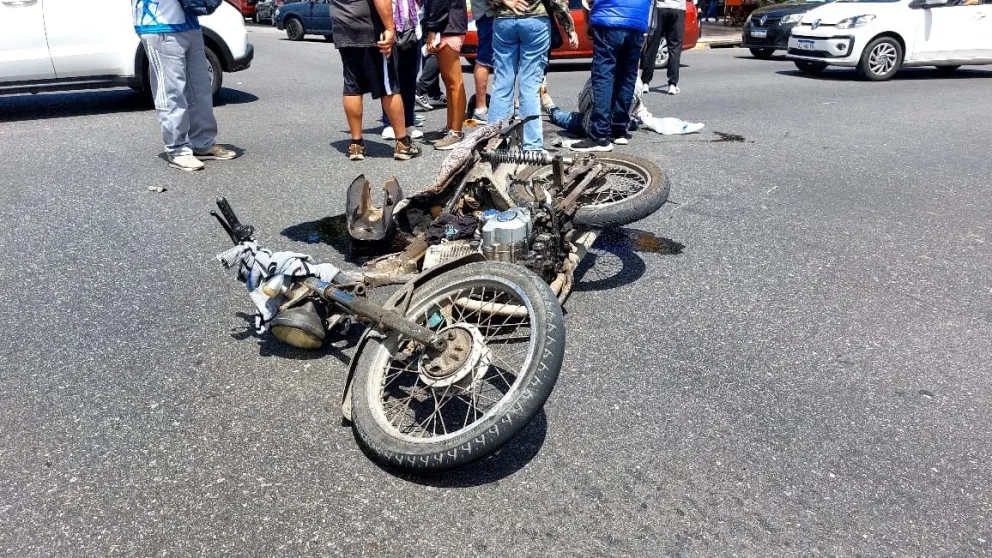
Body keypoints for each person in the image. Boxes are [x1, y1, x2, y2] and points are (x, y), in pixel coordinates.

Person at [132, 0, 237, 171]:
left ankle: (202, 143)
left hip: (189, 23)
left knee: (200, 88)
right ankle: (177, 149)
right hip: (159, 23)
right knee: (171, 90)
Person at [329, 0, 422, 161]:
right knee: (389, 86)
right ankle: (403, 143)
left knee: (352, 86)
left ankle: (356, 144)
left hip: (343, 26)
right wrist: (390, 28)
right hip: (369, 27)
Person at [487, 0, 577, 153]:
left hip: (504, 20)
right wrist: (569, 28)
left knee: (502, 83)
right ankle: (532, 147)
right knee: (530, 86)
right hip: (535, 19)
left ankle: (494, 143)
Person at [569, 0, 652, 152]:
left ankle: (599, 136)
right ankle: (618, 129)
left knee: (603, 77)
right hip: (637, 21)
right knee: (627, 77)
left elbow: (587, 2)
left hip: (609, 19)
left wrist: (588, 23)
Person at [541, 78, 703, 138]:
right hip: (621, 125)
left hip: (594, 125)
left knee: (566, 118)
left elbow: (583, 108)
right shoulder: (636, 83)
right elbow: (635, 105)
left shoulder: (596, 81)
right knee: (636, 121)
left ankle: (550, 108)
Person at [423, 0, 469, 150]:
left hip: (447, 27)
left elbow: (439, 3)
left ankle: (456, 132)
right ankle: (451, 127)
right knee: (450, 83)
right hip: (449, 25)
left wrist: (432, 29)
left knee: (454, 83)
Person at [380, 0, 425, 140]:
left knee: (410, 80)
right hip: (389, 31)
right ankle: (389, 123)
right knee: (390, 80)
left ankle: (408, 122)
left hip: (413, 29)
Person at [641, 0, 685, 95]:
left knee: (652, 45)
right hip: (678, 8)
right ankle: (672, 84)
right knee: (675, 48)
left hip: (660, 7)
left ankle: (645, 82)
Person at [469, 0, 495, 122]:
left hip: (488, 13)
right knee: (484, 60)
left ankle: (498, 105)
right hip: (488, 13)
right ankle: (481, 108)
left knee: (492, 59)